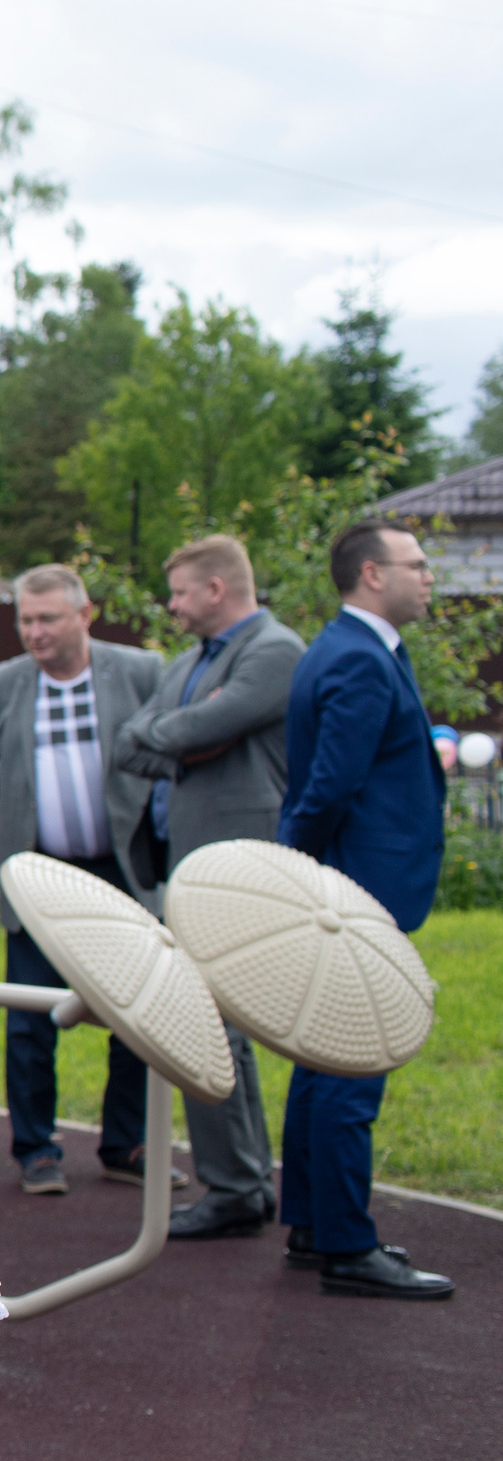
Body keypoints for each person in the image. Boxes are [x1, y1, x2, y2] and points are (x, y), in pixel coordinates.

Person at [274, 523, 454, 1300]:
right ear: (374, 574)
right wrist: (307, 880)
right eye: (418, 564)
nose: (429, 576)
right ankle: (347, 1243)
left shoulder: (346, 647)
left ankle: (315, 1224)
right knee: (354, 1061)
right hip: (358, 893)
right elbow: (329, 788)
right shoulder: (358, 657)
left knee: (323, 1060)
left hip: (349, 886)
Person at [111, 534, 306, 1241]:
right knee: (213, 1024)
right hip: (186, 868)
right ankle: (241, 1180)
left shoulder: (275, 650)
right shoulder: (192, 662)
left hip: (237, 872)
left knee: (216, 1025)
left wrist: (186, 731)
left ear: (217, 589)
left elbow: (209, 723)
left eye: (180, 591)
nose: (171, 605)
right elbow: (129, 742)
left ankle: (236, 1184)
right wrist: (188, 737)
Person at [0, 564, 167, 1194]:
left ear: (84, 615)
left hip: (120, 870)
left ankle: (125, 1144)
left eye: (48, 618)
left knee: (134, 1012)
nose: (34, 631)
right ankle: (36, 1150)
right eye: (26, 619)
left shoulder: (141, 672)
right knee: (31, 1015)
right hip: (37, 875)